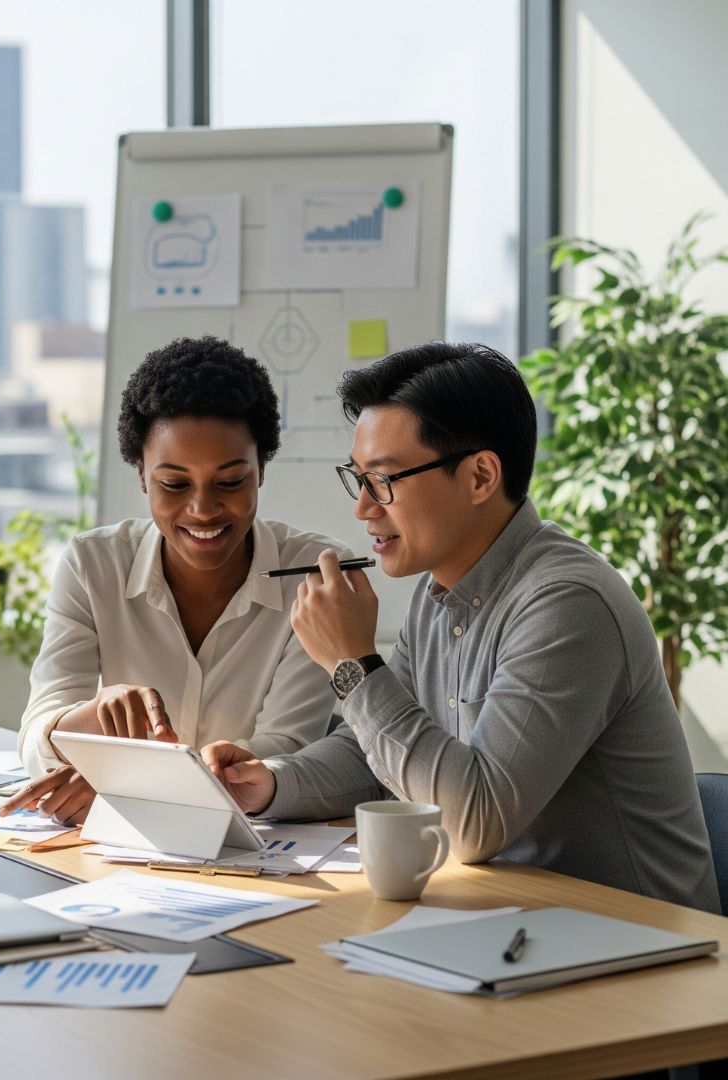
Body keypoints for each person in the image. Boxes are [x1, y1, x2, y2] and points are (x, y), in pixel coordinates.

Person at [203, 340, 719, 912]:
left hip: (638, 941)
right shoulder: (437, 593)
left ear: (480, 476)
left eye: (384, 480)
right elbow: (382, 760)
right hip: (511, 920)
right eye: (359, 478)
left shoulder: (567, 604)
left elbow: (474, 823)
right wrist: (272, 782)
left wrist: (352, 665)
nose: (364, 508)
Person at [1, 335, 351, 825]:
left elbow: (286, 748)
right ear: (141, 474)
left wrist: (126, 782)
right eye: (174, 483)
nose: (203, 509)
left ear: (261, 469)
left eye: (230, 481)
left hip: (258, 841)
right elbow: (40, 728)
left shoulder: (315, 575)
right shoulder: (91, 564)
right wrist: (86, 718)